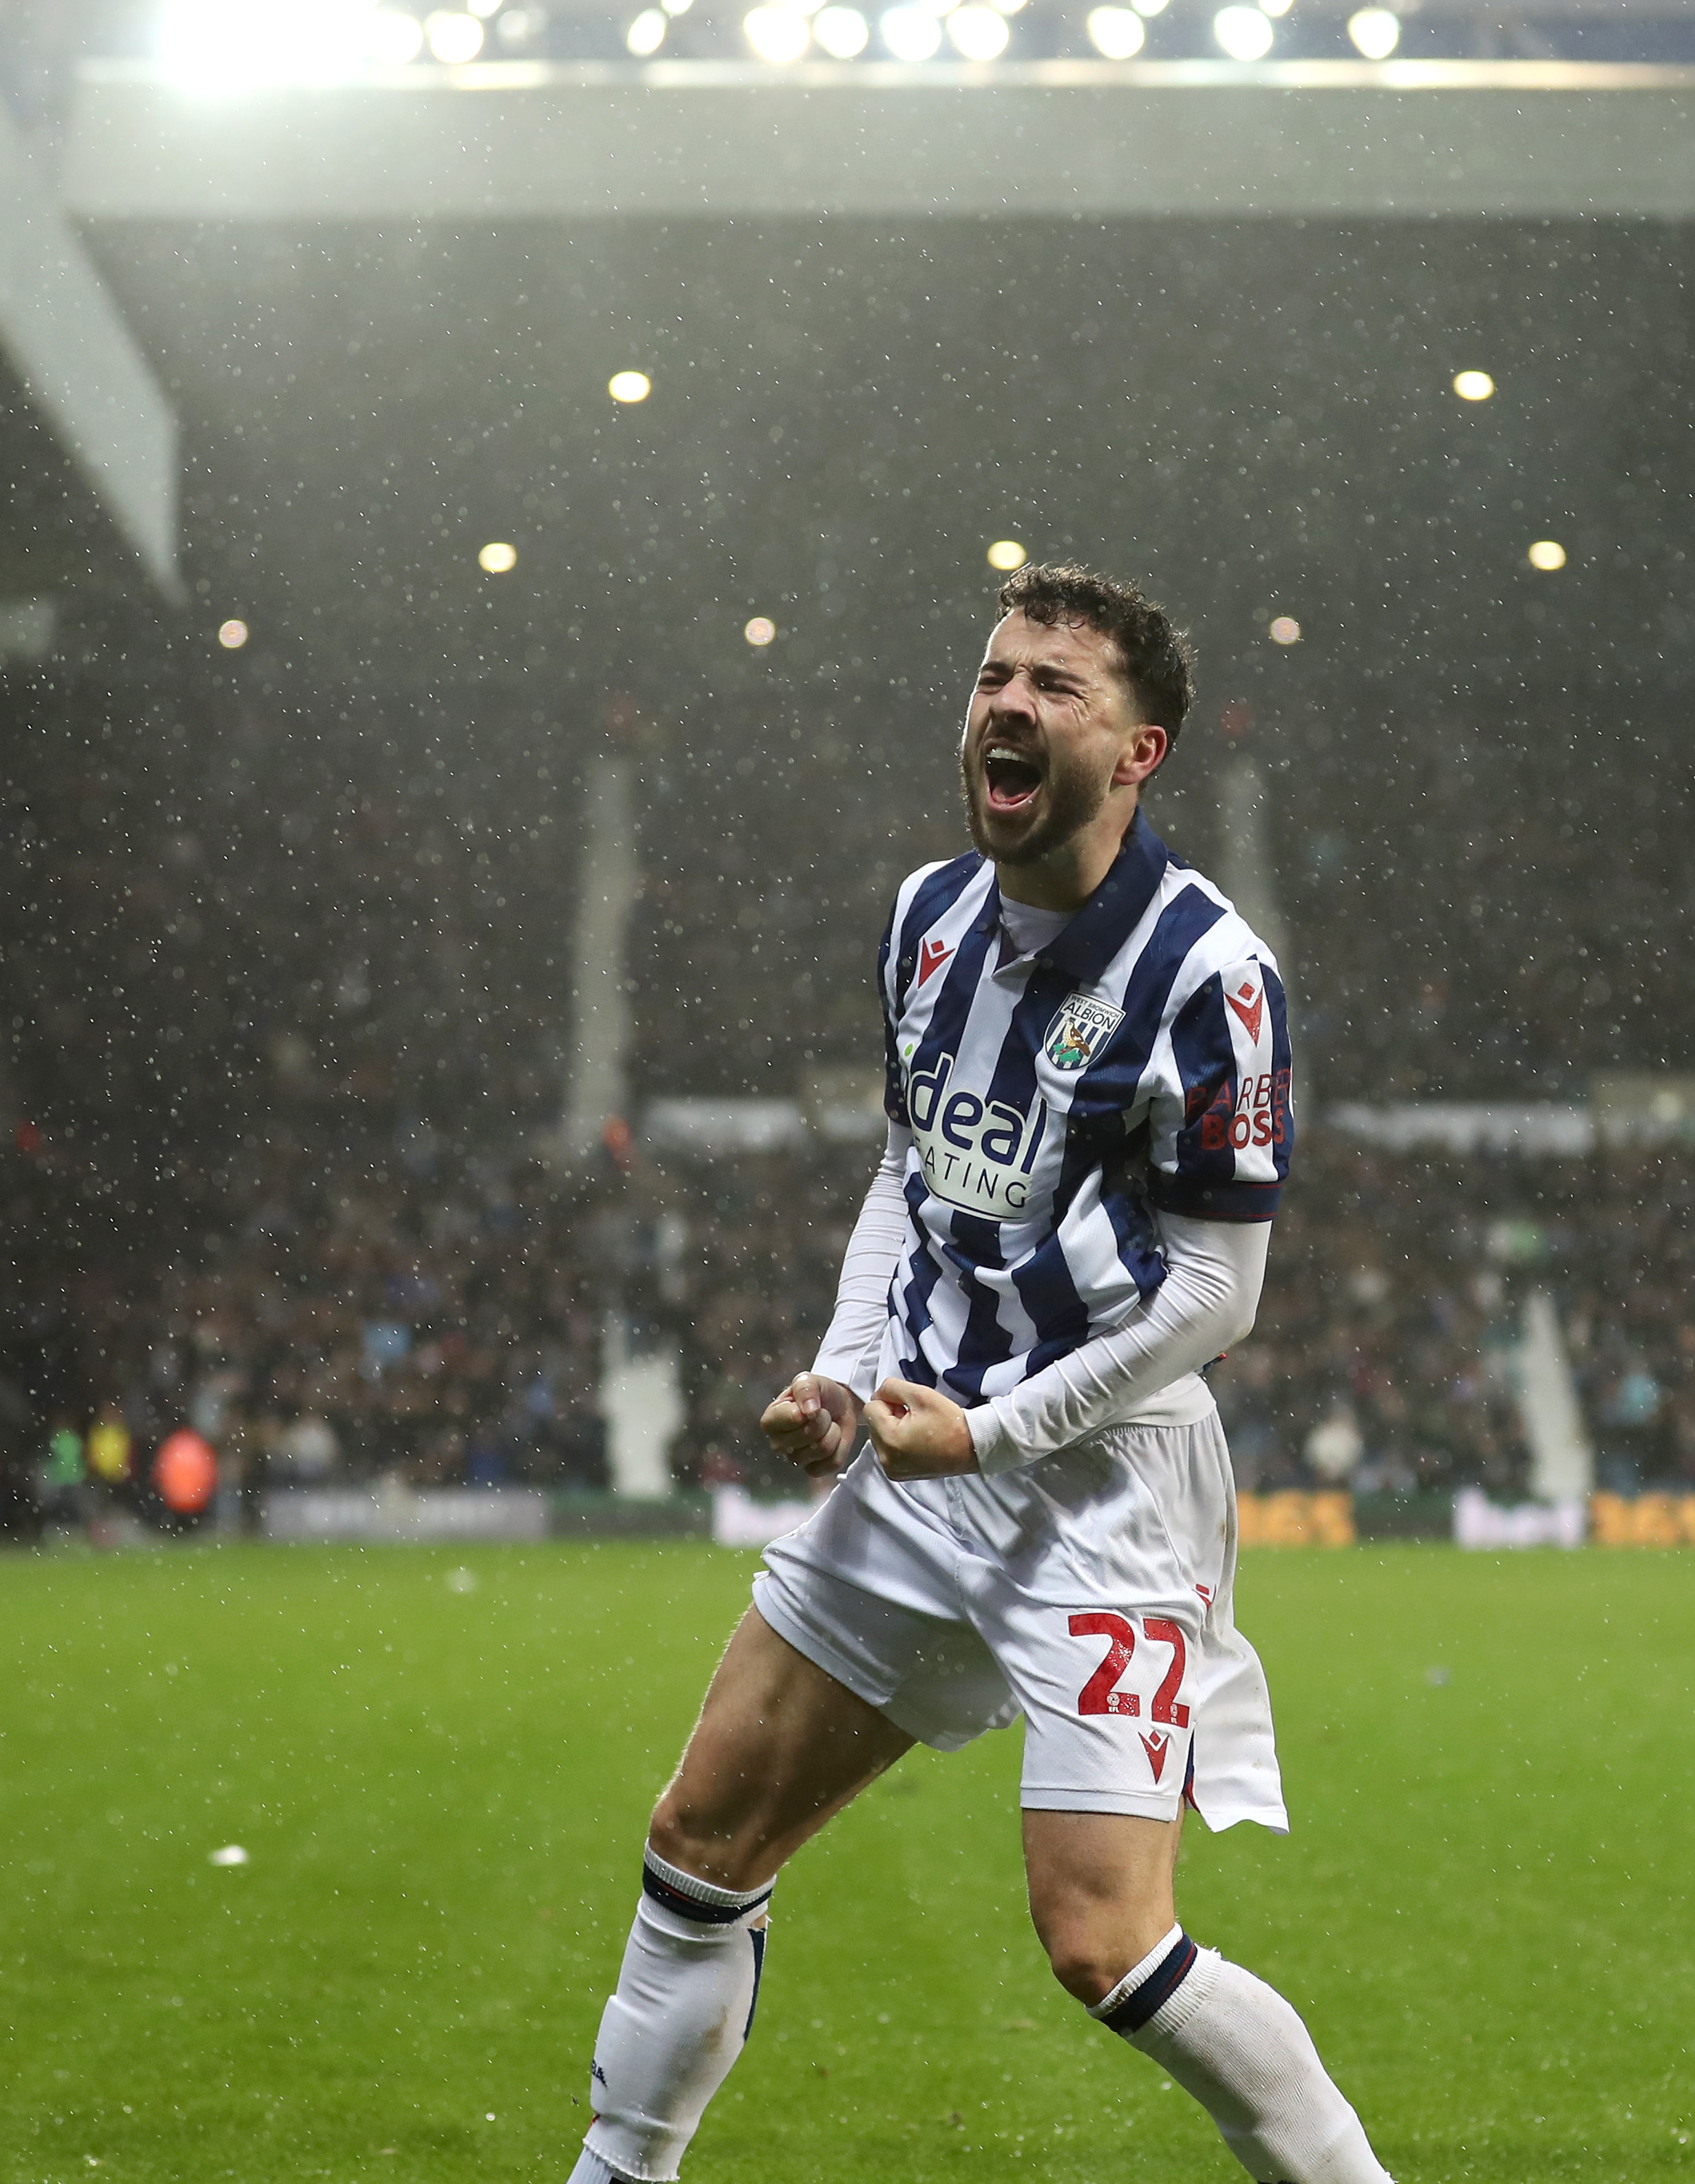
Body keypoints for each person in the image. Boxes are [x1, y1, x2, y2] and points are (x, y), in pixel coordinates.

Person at [564, 566, 1387, 2184]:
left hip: (1102, 1494)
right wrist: (844, 1374)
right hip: (924, 1451)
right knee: (698, 1847)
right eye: (993, 677)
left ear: (1140, 750)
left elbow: (1218, 1296)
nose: (1005, 705)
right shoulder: (928, 916)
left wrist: (993, 1431)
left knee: (1105, 1948)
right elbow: (909, 1173)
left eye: (1055, 687)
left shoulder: (1209, 979)